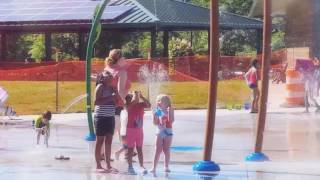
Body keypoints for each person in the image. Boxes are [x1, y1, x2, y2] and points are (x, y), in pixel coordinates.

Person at [94, 71, 121, 173]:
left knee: (109, 141)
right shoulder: (100, 87)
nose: (110, 78)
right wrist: (110, 97)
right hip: (100, 117)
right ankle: (98, 165)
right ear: (102, 78)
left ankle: (108, 165)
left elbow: (119, 102)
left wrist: (116, 93)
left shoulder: (112, 88)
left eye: (111, 76)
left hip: (110, 117)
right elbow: (96, 102)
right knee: (100, 141)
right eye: (107, 76)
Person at [104, 49, 131, 141]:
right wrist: (123, 104)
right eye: (123, 57)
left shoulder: (108, 68)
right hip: (117, 104)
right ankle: (102, 152)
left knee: (119, 128)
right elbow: (120, 91)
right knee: (115, 128)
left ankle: (124, 147)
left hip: (106, 102)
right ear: (119, 59)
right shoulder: (121, 72)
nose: (125, 59)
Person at [126, 91, 151, 174]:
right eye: (131, 97)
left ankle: (141, 165)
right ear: (129, 100)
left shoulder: (140, 105)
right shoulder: (128, 106)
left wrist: (142, 97)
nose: (133, 98)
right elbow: (135, 100)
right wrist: (136, 94)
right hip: (130, 130)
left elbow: (149, 105)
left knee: (139, 149)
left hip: (139, 131)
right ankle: (130, 167)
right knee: (130, 149)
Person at [150, 94, 174, 174]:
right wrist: (155, 116)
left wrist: (169, 113)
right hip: (160, 132)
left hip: (168, 131)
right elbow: (155, 123)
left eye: (161, 101)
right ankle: (154, 167)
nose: (159, 102)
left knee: (166, 149)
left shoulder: (169, 110)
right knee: (157, 149)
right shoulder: (158, 111)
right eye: (158, 101)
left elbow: (171, 121)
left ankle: (166, 166)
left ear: (167, 103)